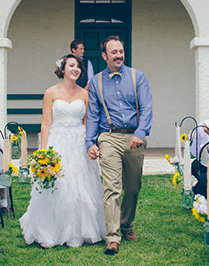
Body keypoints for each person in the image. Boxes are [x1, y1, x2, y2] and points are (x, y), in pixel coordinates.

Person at [20, 54, 106, 248]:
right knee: (57, 184)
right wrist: (43, 153)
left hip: (78, 142)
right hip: (57, 142)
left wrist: (90, 144)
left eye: (78, 67)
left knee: (81, 184)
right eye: (71, 65)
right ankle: (50, 231)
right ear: (63, 69)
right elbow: (46, 123)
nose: (75, 69)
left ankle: (80, 230)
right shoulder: (51, 92)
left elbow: (88, 123)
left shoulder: (85, 94)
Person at [85, 36, 153, 256]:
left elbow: (147, 107)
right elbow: (93, 116)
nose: (119, 55)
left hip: (135, 136)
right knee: (111, 187)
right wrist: (90, 142)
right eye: (114, 52)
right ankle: (112, 237)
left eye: (121, 51)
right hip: (109, 137)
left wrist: (140, 133)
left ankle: (126, 224)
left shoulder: (138, 76)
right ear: (104, 56)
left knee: (132, 188)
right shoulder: (95, 82)